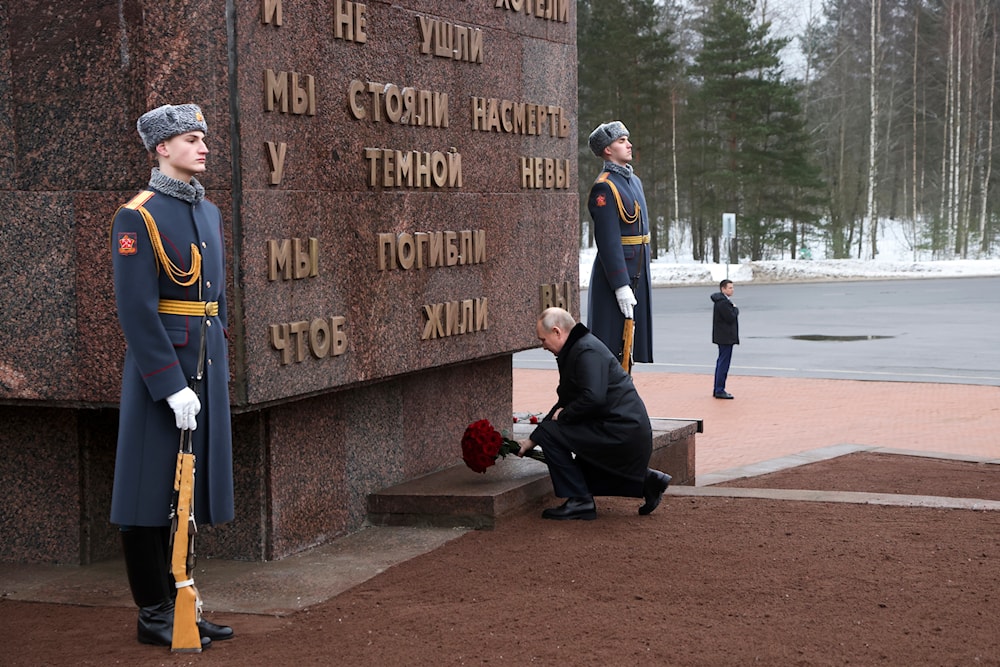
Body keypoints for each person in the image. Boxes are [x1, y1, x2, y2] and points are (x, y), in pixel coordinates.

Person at [109, 104, 234, 649]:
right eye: (190, 138)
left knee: (186, 493)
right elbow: (136, 310)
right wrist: (169, 384)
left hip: (205, 367)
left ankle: (184, 598)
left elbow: (216, 300)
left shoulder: (208, 213)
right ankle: (154, 612)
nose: (203, 146)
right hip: (161, 373)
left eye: (203, 137)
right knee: (147, 494)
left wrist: (217, 357)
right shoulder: (138, 215)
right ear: (161, 148)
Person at [517, 308, 672, 520]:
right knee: (553, 436)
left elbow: (593, 398)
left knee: (553, 434)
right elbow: (567, 401)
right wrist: (532, 440)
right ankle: (648, 482)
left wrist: (562, 417)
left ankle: (579, 500)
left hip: (623, 433)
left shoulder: (585, 351)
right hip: (621, 428)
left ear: (557, 332)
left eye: (543, 340)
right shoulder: (579, 348)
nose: (542, 346)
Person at [585, 121, 654, 367]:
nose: (629, 144)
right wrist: (620, 285)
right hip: (617, 276)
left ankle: (622, 398)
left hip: (637, 270)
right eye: (621, 141)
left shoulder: (634, 181)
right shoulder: (605, 186)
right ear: (607, 149)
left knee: (630, 347)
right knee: (612, 347)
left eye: (627, 139)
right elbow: (608, 241)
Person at [711, 279, 739, 399]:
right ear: (723, 289)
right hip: (725, 338)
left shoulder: (722, 301)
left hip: (723, 337)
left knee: (722, 362)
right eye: (730, 288)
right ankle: (719, 389)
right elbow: (730, 317)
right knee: (723, 363)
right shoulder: (723, 303)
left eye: (732, 288)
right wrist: (735, 309)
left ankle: (718, 388)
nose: (732, 290)